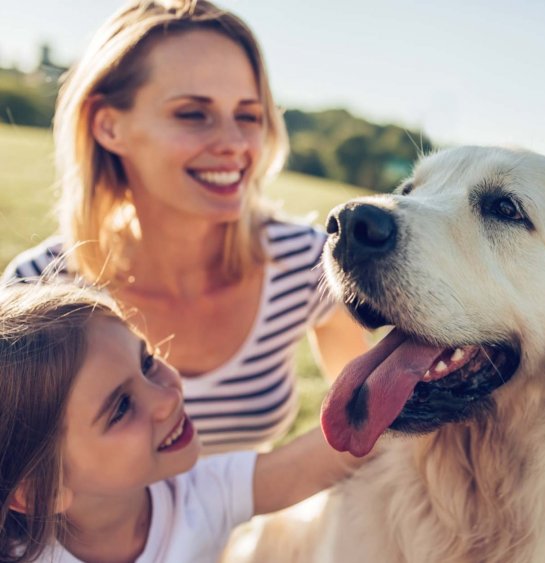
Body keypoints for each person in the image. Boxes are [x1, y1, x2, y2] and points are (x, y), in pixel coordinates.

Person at [2, 0, 370, 453]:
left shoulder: (306, 263)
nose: (235, 144)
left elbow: (364, 434)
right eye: (193, 114)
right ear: (109, 126)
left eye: (249, 116)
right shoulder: (36, 290)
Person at [0, 282, 365, 563]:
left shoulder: (199, 497)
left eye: (146, 362)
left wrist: (404, 379)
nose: (169, 397)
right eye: (121, 408)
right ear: (37, 492)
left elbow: (319, 459)